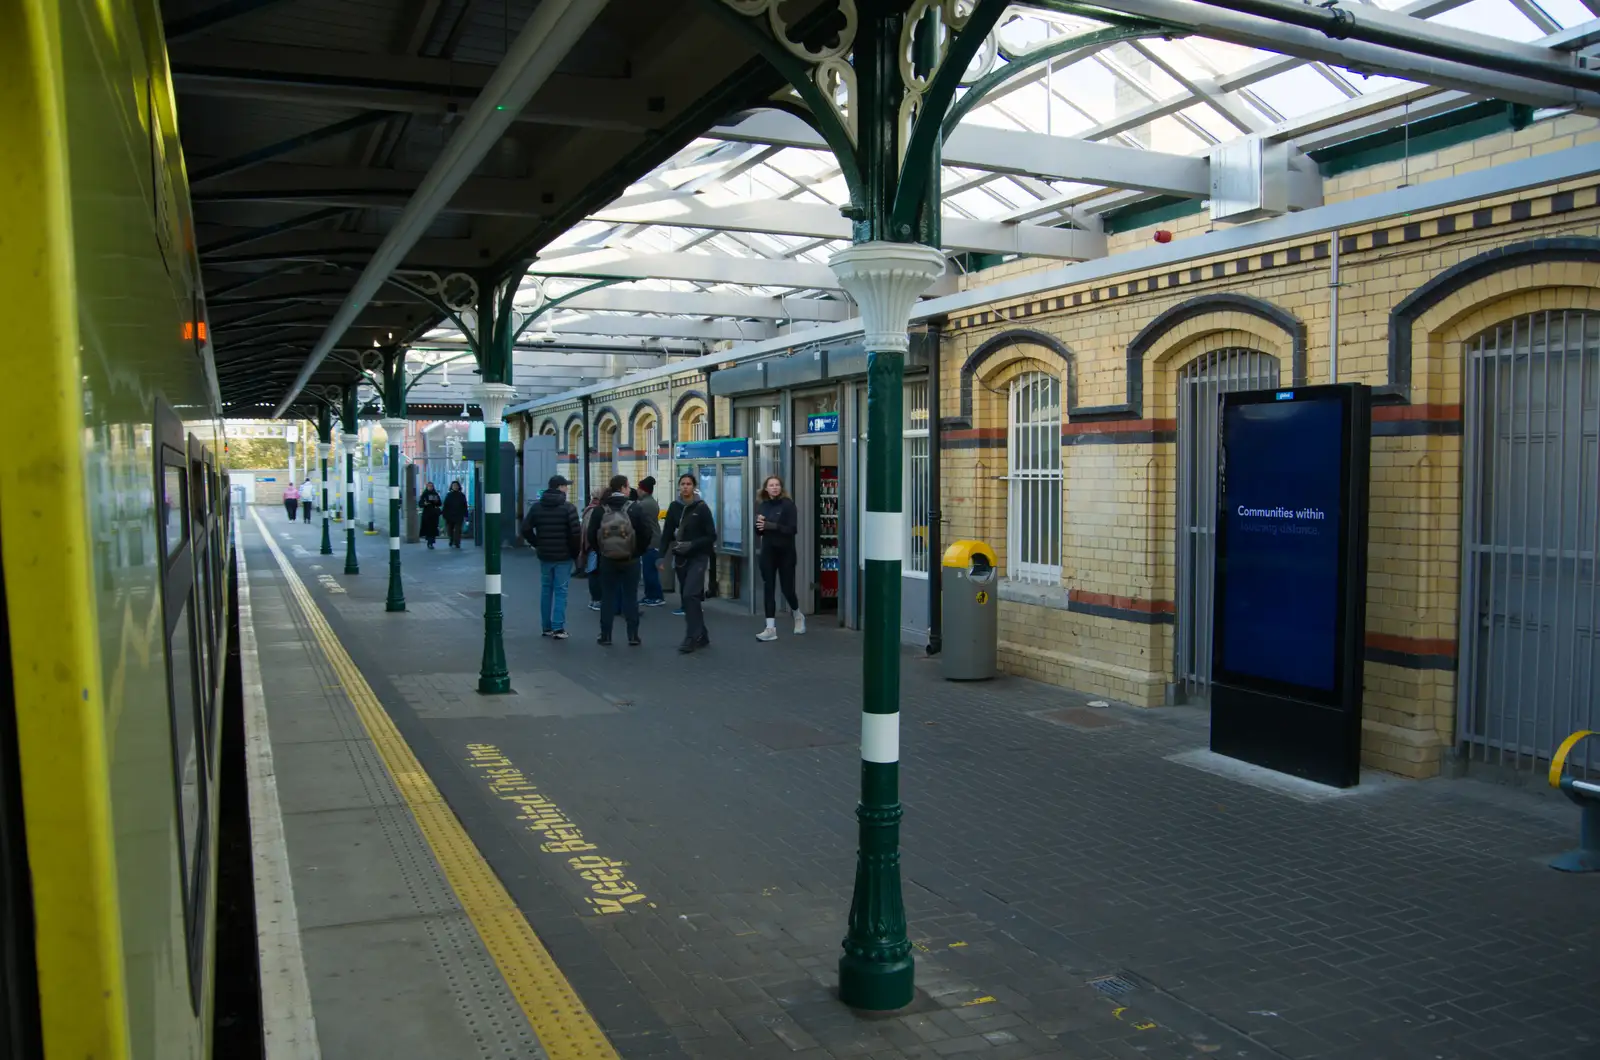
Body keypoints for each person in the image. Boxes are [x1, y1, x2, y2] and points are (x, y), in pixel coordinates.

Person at [584, 474, 654, 646]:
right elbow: (646, 533)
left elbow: (591, 534)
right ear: (623, 487)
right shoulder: (635, 508)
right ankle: (633, 636)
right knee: (630, 596)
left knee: (607, 597)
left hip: (607, 559)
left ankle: (606, 635)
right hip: (630, 559)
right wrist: (637, 551)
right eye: (628, 486)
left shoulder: (601, 509)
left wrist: (601, 550)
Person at [661, 472, 717, 653]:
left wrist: (692, 544)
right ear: (679, 487)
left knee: (689, 595)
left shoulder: (701, 508)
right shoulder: (674, 507)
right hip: (681, 558)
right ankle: (703, 634)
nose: (685, 487)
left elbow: (711, 536)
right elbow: (667, 533)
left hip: (698, 557)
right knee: (690, 597)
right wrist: (661, 556)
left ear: (694, 487)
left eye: (688, 484)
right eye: (682, 484)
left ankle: (691, 637)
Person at [521, 474, 581, 640]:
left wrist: (537, 543)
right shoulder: (568, 508)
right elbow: (576, 534)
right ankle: (558, 627)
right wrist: (574, 553)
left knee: (546, 590)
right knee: (561, 591)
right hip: (564, 556)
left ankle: (546, 626)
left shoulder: (537, 507)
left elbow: (525, 529)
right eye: (566, 486)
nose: (567, 489)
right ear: (560, 487)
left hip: (545, 555)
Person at [754, 475, 804, 641]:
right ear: (766, 489)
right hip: (768, 551)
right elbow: (759, 532)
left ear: (781, 488)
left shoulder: (788, 505)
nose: (774, 488)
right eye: (771, 485)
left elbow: (792, 529)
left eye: (777, 485)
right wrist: (759, 525)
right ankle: (770, 628)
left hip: (786, 552)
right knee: (769, 587)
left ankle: (798, 615)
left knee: (787, 589)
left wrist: (771, 526)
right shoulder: (763, 506)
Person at [635, 476, 665, 607]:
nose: (636, 490)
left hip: (651, 541)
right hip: (652, 540)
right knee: (649, 570)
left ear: (643, 490)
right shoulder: (649, 502)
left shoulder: (644, 504)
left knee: (650, 571)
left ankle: (656, 596)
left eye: (638, 488)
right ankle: (650, 595)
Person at [442, 481, 469, 548]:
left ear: (459, 486)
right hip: (450, 515)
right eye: (454, 485)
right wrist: (444, 514)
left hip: (459, 515)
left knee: (458, 529)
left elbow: (464, 505)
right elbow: (445, 505)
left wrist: (465, 514)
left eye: (456, 485)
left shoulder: (462, 495)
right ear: (451, 487)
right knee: (450, 529)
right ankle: (451, 539)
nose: (455, 487)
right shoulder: (449, 495)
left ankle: (457, 542)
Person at [419, 481, 443, 548]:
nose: (430, 487)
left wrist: (436, 502)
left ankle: (431, 542)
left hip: (434, 514)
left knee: (433, 528)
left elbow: (440, 503)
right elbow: (420, 504)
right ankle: (429, 542)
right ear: (427, 487)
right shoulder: (424, 494)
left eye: (431, 486)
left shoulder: (435, 494)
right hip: (427, 514)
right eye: (429, 486)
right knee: (428, 528)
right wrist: (424, 504)